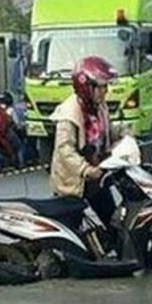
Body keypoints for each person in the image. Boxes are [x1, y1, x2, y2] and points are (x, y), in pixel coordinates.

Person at [48, 56, 123, 234]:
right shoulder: (68, 114)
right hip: (74, 184)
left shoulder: (100, 107)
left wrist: (125, 135)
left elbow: (108, 131)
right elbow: (65, 150)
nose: (105, 91)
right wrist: (86, 169)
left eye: (106, 86)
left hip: (97, 178)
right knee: (70, 234)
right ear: (85, 86)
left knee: (113, 221)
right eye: (100, 87)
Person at [0, 92, 25, 170]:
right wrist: (20, 127)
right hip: (6, 133)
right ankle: (20, 163)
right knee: (19, 146)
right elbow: (17, 123)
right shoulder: (10, 110)